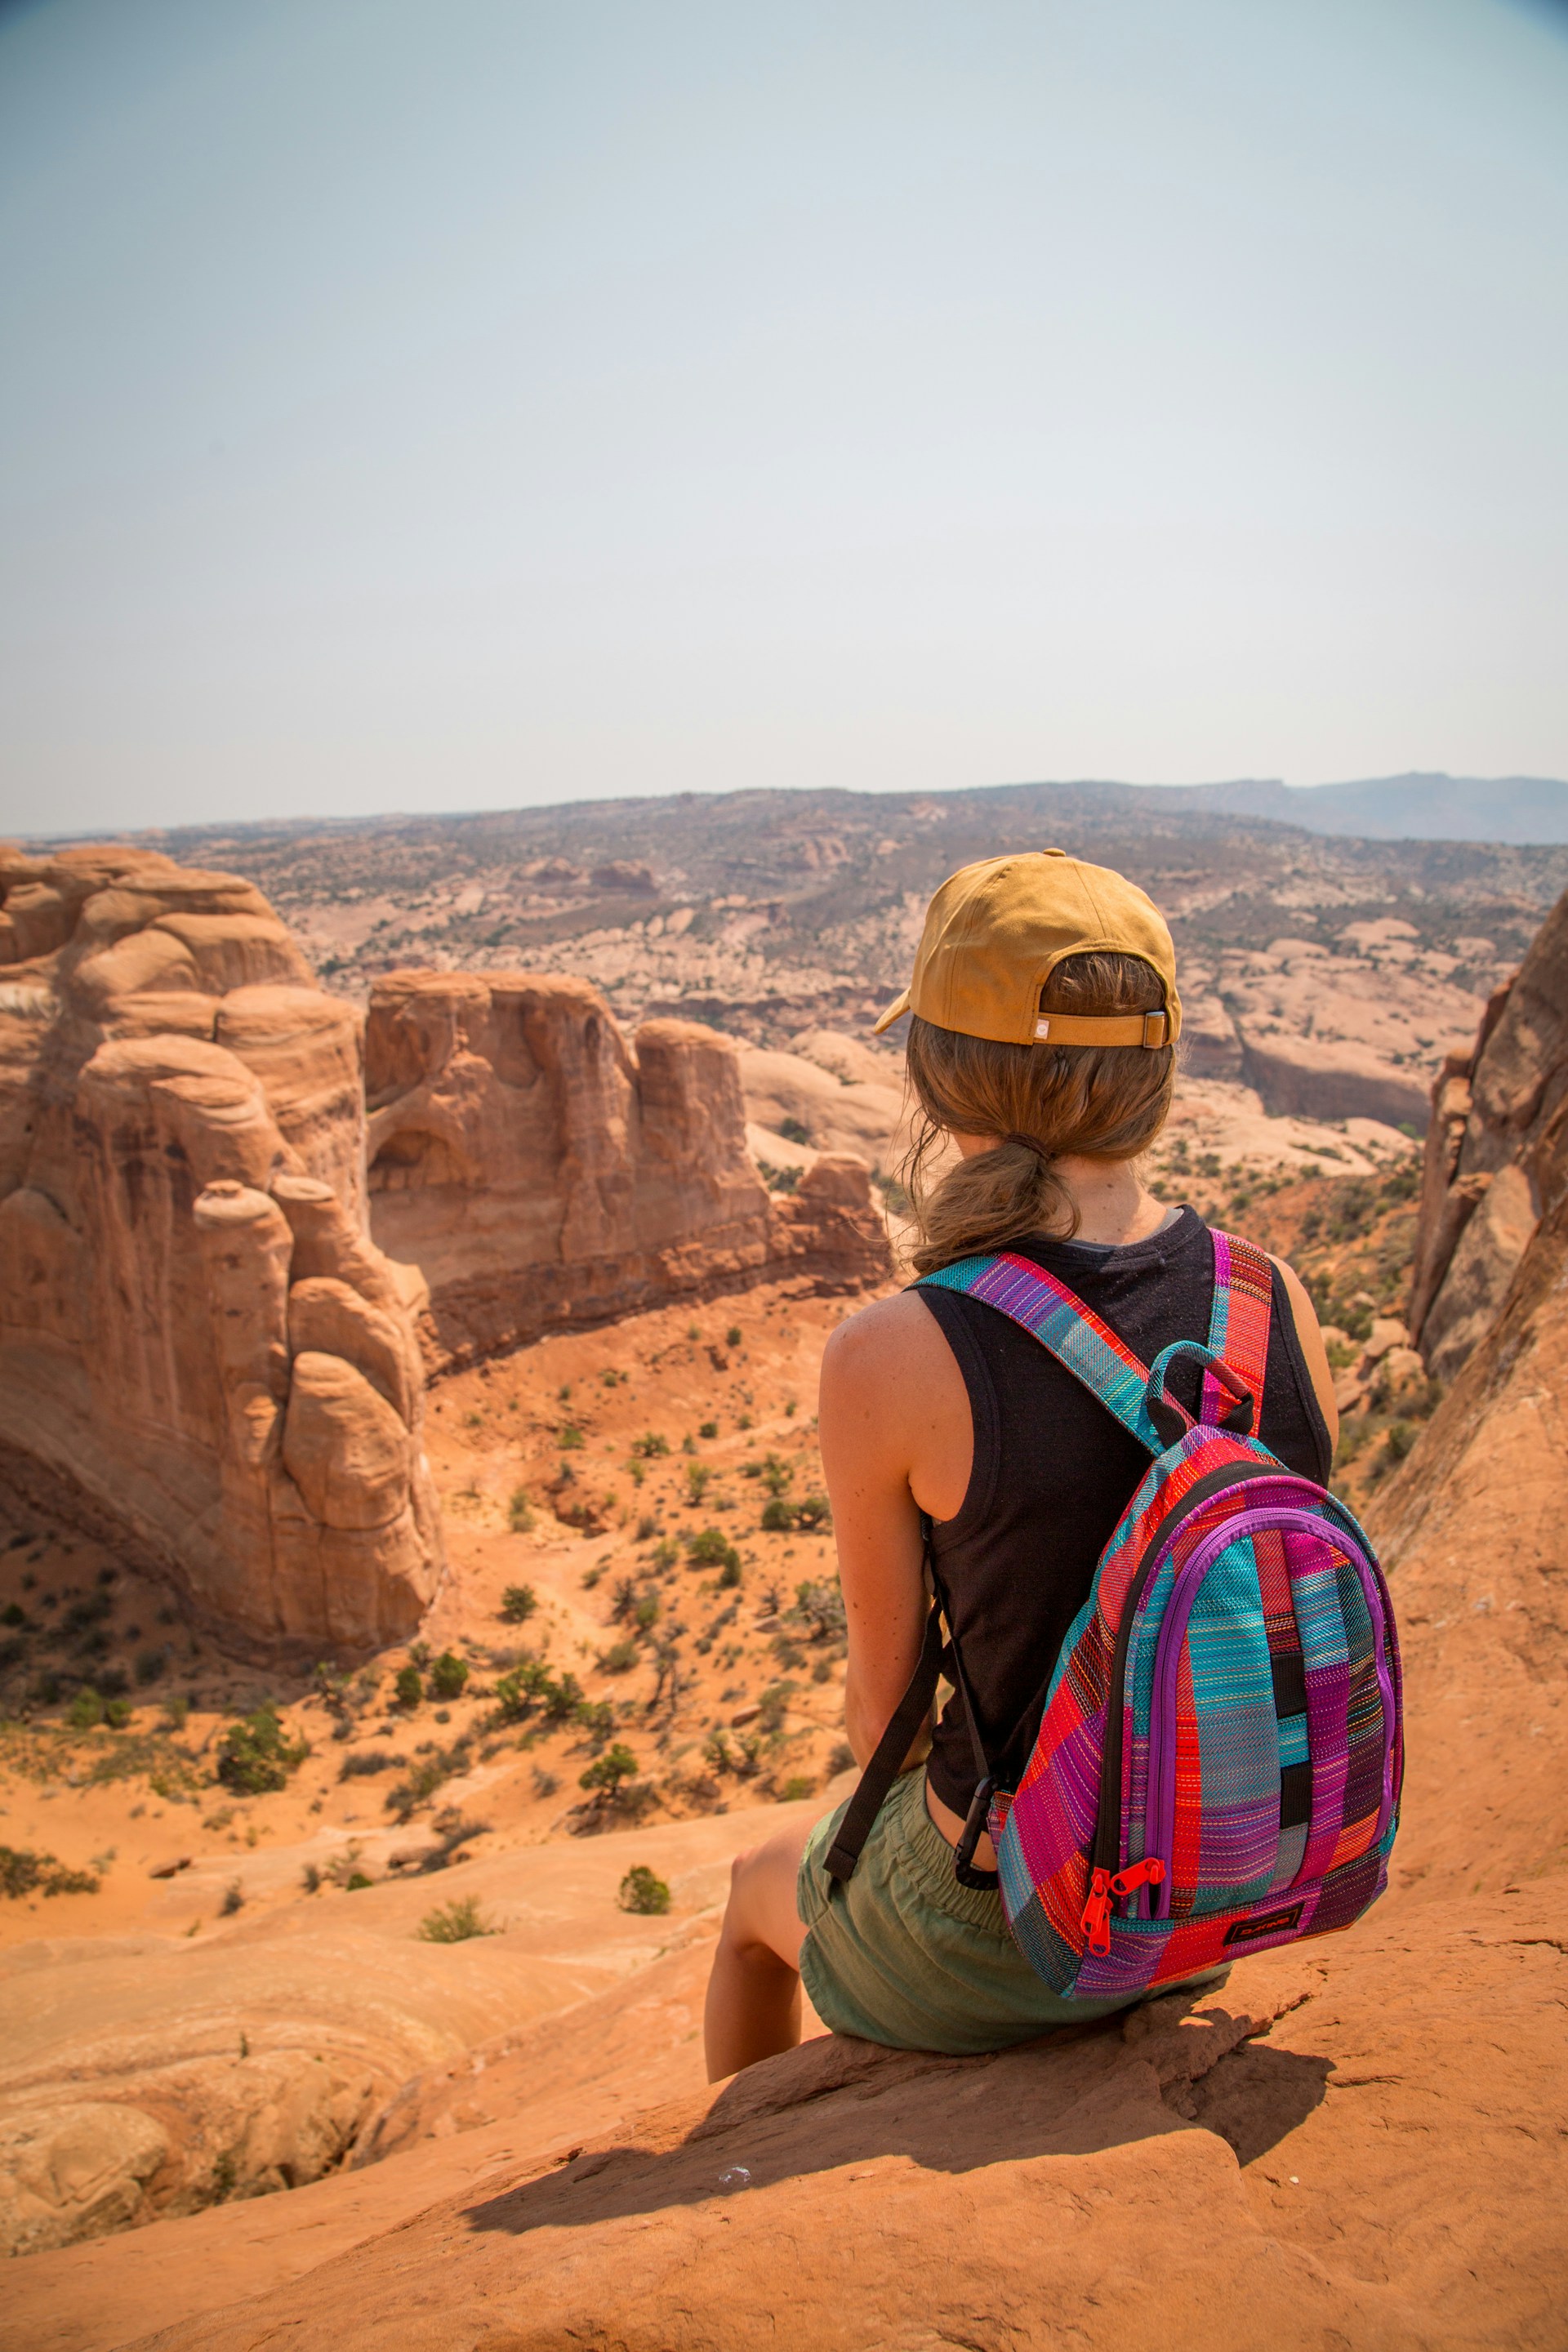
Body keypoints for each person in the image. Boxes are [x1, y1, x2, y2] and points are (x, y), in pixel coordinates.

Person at [703, 849, 1339, 2080]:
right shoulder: (1272, 1301)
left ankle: (730, 2153)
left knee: (750, 1896)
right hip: (1227, 1885)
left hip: (1015, 1935)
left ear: (947, 1085)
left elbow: (881, 1719)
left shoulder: (895, 1353)